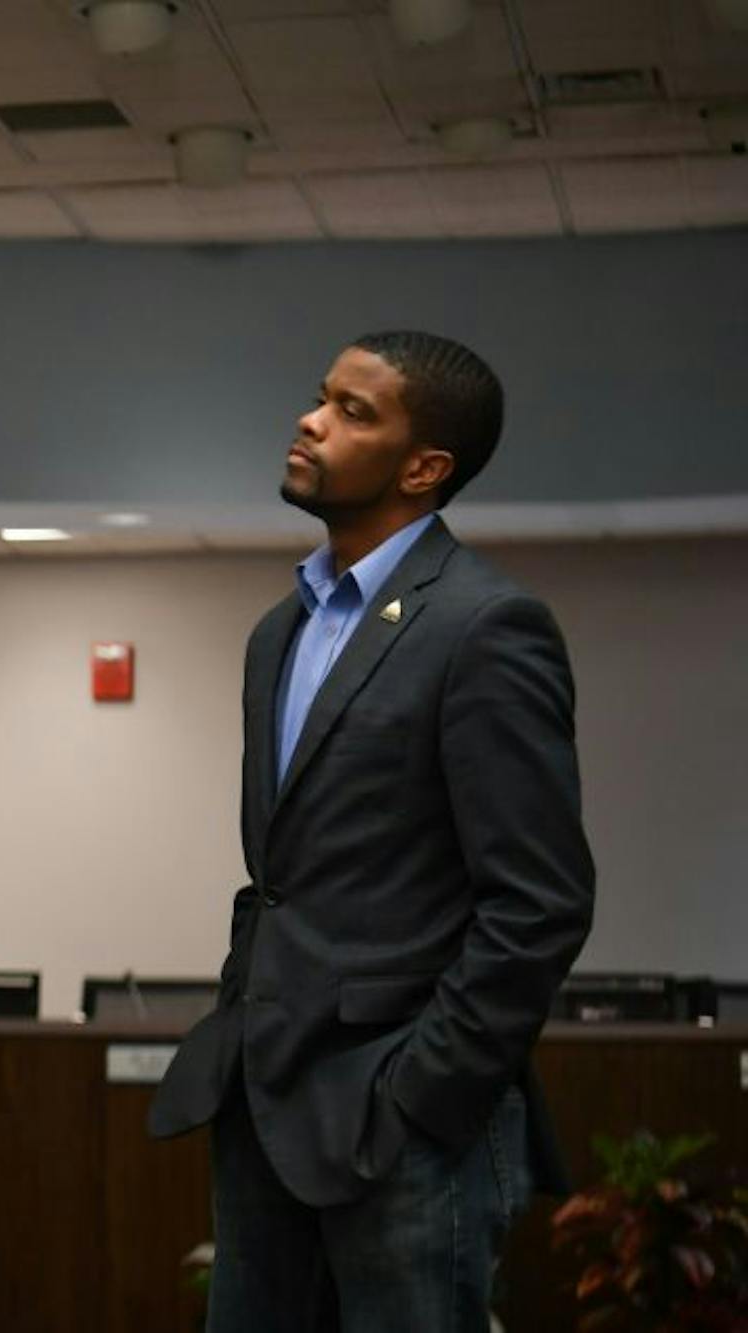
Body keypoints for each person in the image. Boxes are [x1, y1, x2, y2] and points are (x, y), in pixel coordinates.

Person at [147, 331, 596, 1331]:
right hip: (264, 1100)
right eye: (320, 398)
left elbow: (541, 902)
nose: (311, 420)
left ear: (423, 466)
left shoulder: (485, 625)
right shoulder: (282, 628)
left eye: (355, 411)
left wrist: (422, 1092)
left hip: (402, 1123)